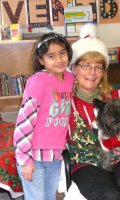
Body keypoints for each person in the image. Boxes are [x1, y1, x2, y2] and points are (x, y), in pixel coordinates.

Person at [67, 23, 120, 200]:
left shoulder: (119, 95)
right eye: (86, 65)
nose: (92, 72)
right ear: (74, 68)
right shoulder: (64, 104)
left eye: (98, 66)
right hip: (87, 165)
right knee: (110, 195)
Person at [13, 32, 74, 200]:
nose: (59, 60)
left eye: (62, 53)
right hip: (34, 156)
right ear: (41, 60)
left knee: (50, 197)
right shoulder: (38, 81)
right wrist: (25, 160)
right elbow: (23, 124)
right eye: (51, 56)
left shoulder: (70, 78)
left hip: (55, 156)